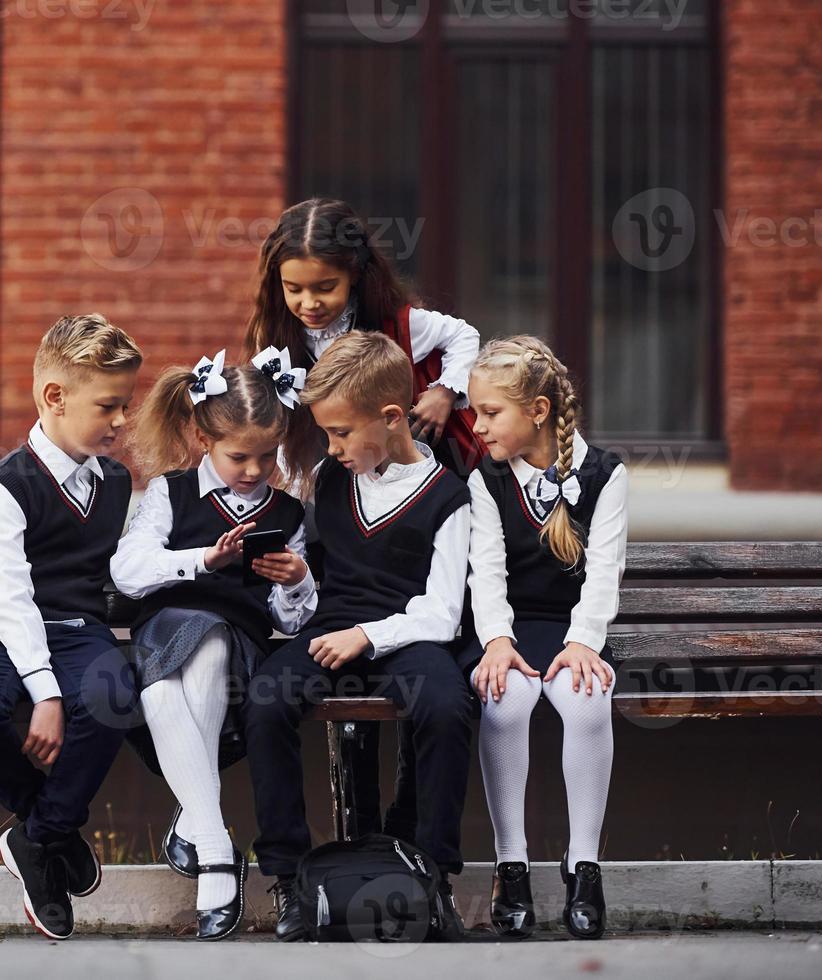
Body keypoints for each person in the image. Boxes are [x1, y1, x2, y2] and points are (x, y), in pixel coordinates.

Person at [244, 330, 475, 943]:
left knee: (448, 706)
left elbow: (444, 612)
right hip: (328, 629)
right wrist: (298, 585)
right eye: (326, 434)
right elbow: (316, 578)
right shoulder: (329, 479)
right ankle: (289, 876)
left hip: (411, 636)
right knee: (266, 698)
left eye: (342, 432)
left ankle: (432, 877)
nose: (333, 446)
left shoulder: (449, 498)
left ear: (392, 417)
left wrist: (367, 636)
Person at [0, 313, 143, 941]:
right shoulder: (4, 488)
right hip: (0, 630)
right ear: (54, 397)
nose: (120, 421)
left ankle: (38, 839)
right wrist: (46, 692)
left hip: (81, 627)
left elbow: (124, 571)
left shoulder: (113, 482)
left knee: (113, 695)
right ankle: (47, 827)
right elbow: (7, 596)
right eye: (108, 405)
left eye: (125, 405)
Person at [111, 347, 316, 940]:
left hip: (241, 643)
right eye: (238, 456)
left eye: (267, 457)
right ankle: (216, 841)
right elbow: (128, 571)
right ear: (203, 438)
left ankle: (202, 833)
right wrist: (203, 559)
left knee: (208, 653)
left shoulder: (288, 510)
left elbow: (293, 623)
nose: (253, 470)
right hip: (164, 628)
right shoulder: (169, 494)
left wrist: (296, 581)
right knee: (175, 676)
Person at [459, 335, 629, 940]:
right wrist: (496, 641)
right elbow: (487, 571)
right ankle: (513, 865)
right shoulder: (487, 478)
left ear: (536, 410)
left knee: (586, 708)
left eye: (489, 412)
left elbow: (604, 569)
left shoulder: (605, 474)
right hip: (513, 630)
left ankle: (585, 865)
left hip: (575, 629)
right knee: (503, 707)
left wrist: (585, 641)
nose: (476, 425)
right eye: (474, 411)